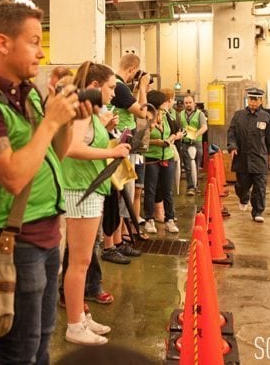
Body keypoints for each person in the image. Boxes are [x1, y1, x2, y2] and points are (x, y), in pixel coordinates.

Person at [0, 0, 83, 364]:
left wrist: (67, 119)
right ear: (3, 43)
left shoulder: (28, 94)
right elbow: (12, 176)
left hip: (45, 234)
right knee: (19, 349)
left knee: (41, 339)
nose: (42, 54)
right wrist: (49, 122)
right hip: (15, 242)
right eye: (34, 42)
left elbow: (55, 155)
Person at [61, 61, 130, 345]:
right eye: (111, 87)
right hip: (80, 191)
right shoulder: (81, 112)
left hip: (88, 190)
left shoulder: (90, 113)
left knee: (83, 260)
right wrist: (111, 152)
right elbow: (72, 148)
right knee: (79, 262)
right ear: (93, 86)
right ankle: (74, 324)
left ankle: (80, 316)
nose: (114, 94)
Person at [106, 54, 151, 250]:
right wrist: (142, 87)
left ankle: (119, 237)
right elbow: (143, 111)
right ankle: (118, 238)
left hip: (118, 144)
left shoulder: (119, 87)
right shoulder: (120, 86)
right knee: (123, 193)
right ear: (132, 70)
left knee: (123, 193)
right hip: (121, 144)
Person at [227, 87, 270, 223]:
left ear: (261, 100)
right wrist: (232, 147)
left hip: (260, 157)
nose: (253, 102)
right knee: (242, 185)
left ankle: (258, 211)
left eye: (256, 99)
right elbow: (231, 133)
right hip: (242, 158)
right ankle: (243, 197)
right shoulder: (238, 116)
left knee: (260, 186)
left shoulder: (266, 117)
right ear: (247, 99)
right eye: (251, 99)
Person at [142, 90, 182, 235]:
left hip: (168, 156)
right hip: (152, 157)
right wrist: (156, 142)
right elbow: (142, 140)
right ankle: (149, 219)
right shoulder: (145, 118)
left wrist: (169, 140)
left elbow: (173, 132)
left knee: (168, 190)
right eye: (164, 102)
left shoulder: (167, 116)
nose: (167, 104)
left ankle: (169, 219)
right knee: (150, 190)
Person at [179, 95, 208, 196]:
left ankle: (196, 185)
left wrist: (195, 135)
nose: (188, 104)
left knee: (196, 164)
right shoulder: (181, 114)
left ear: (194, 103)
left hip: (197, 143)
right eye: (186, 103)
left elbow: (204, 127)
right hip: (185, 142)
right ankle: (190, 187)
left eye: (190, 102)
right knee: (187, 166)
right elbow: (179, 127)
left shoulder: (200, 114)